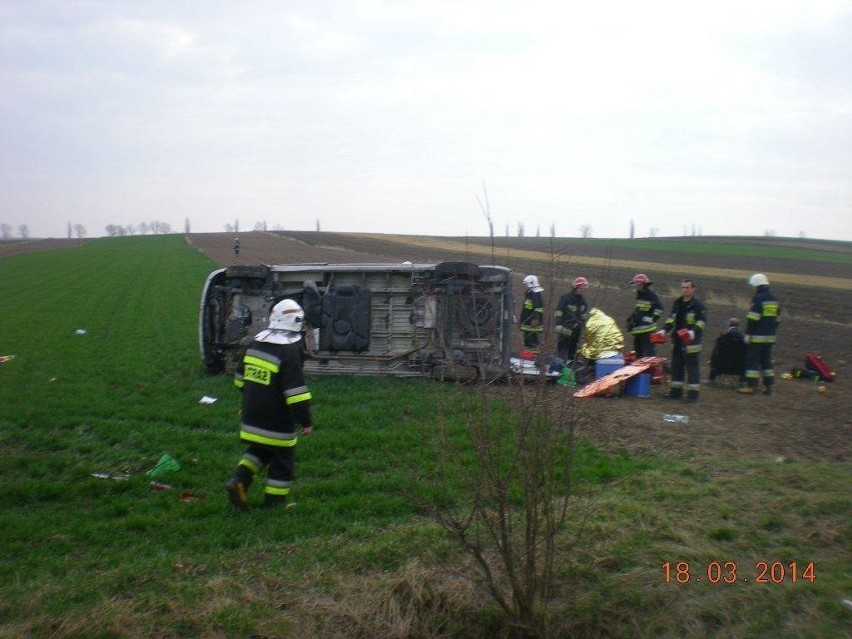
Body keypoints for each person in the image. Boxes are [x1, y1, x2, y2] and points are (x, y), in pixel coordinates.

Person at [226, 298, 313, 510]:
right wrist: (306, 422)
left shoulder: (254, 344)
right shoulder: (290, 352)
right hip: (277, 422)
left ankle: (239, 482)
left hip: (251, 417)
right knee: (282, 461)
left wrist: (253, 398)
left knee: (260, 450)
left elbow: (239, 380)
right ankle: (274, 504)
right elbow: (296, 394)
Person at [663, 279, 707, 402]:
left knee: (692, 369)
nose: (684, 290)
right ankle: (676, 392)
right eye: (683, 287)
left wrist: (693, 331)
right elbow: (671, 319)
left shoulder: (698, 306)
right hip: (677, 341)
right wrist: (664, 330)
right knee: (677, 367)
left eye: (687, 288)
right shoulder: (678, 303)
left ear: (693, 289)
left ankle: (692, 395)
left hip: (691, 343)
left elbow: (701, 322)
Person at [739, 273, 781, 395]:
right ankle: (768, 386)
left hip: (757, 338)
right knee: (766, 361)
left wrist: (748, 334)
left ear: (757, 285)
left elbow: (753, 318)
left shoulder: (758, 299)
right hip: (770, 337)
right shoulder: (774, 299)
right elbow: (777, 320)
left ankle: (751, 387)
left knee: (752, 361)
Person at [626, 273, 664, 357]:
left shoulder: (651, 295)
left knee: (649, 354)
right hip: (639, 331)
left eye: (637, 285)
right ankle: (642, 370)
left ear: (642, 284)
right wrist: (632, 318)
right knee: (638, 354)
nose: (635, 287)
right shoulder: (641, 296)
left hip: (648, 331)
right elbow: (640, 311)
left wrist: (651, 319)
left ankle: (652, 370)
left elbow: (660, 309)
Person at [554, 276, 589, 361]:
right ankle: (560, 367)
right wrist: (558, 324)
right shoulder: (566, 298)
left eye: (583, 288)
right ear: (575, 287)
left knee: (573, 352)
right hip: (565, 329)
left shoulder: (583, 302)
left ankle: (571, 367)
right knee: (562, 351)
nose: (582, 290)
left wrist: (580, 324)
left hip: (576, 331)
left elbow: (583, 316)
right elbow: (559, 311)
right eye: (581, 288)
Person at [709, 318, 746, 383]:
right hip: (739, 367)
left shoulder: (722, 339)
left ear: (728, 325)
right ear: (739, 326)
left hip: (722, 367)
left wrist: (712, 362)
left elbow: (714, 354)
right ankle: (743, 381)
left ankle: (712, 378)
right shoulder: (744, 340)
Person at [520, 274, 544, 353]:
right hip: (528, 320)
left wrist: (535, 318)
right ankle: (530, 355)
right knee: (529, 340)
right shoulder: (531, 293)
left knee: (531, 341)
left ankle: (532, 356)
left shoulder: (535, 294)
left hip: (531, 322)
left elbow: (537, 307)